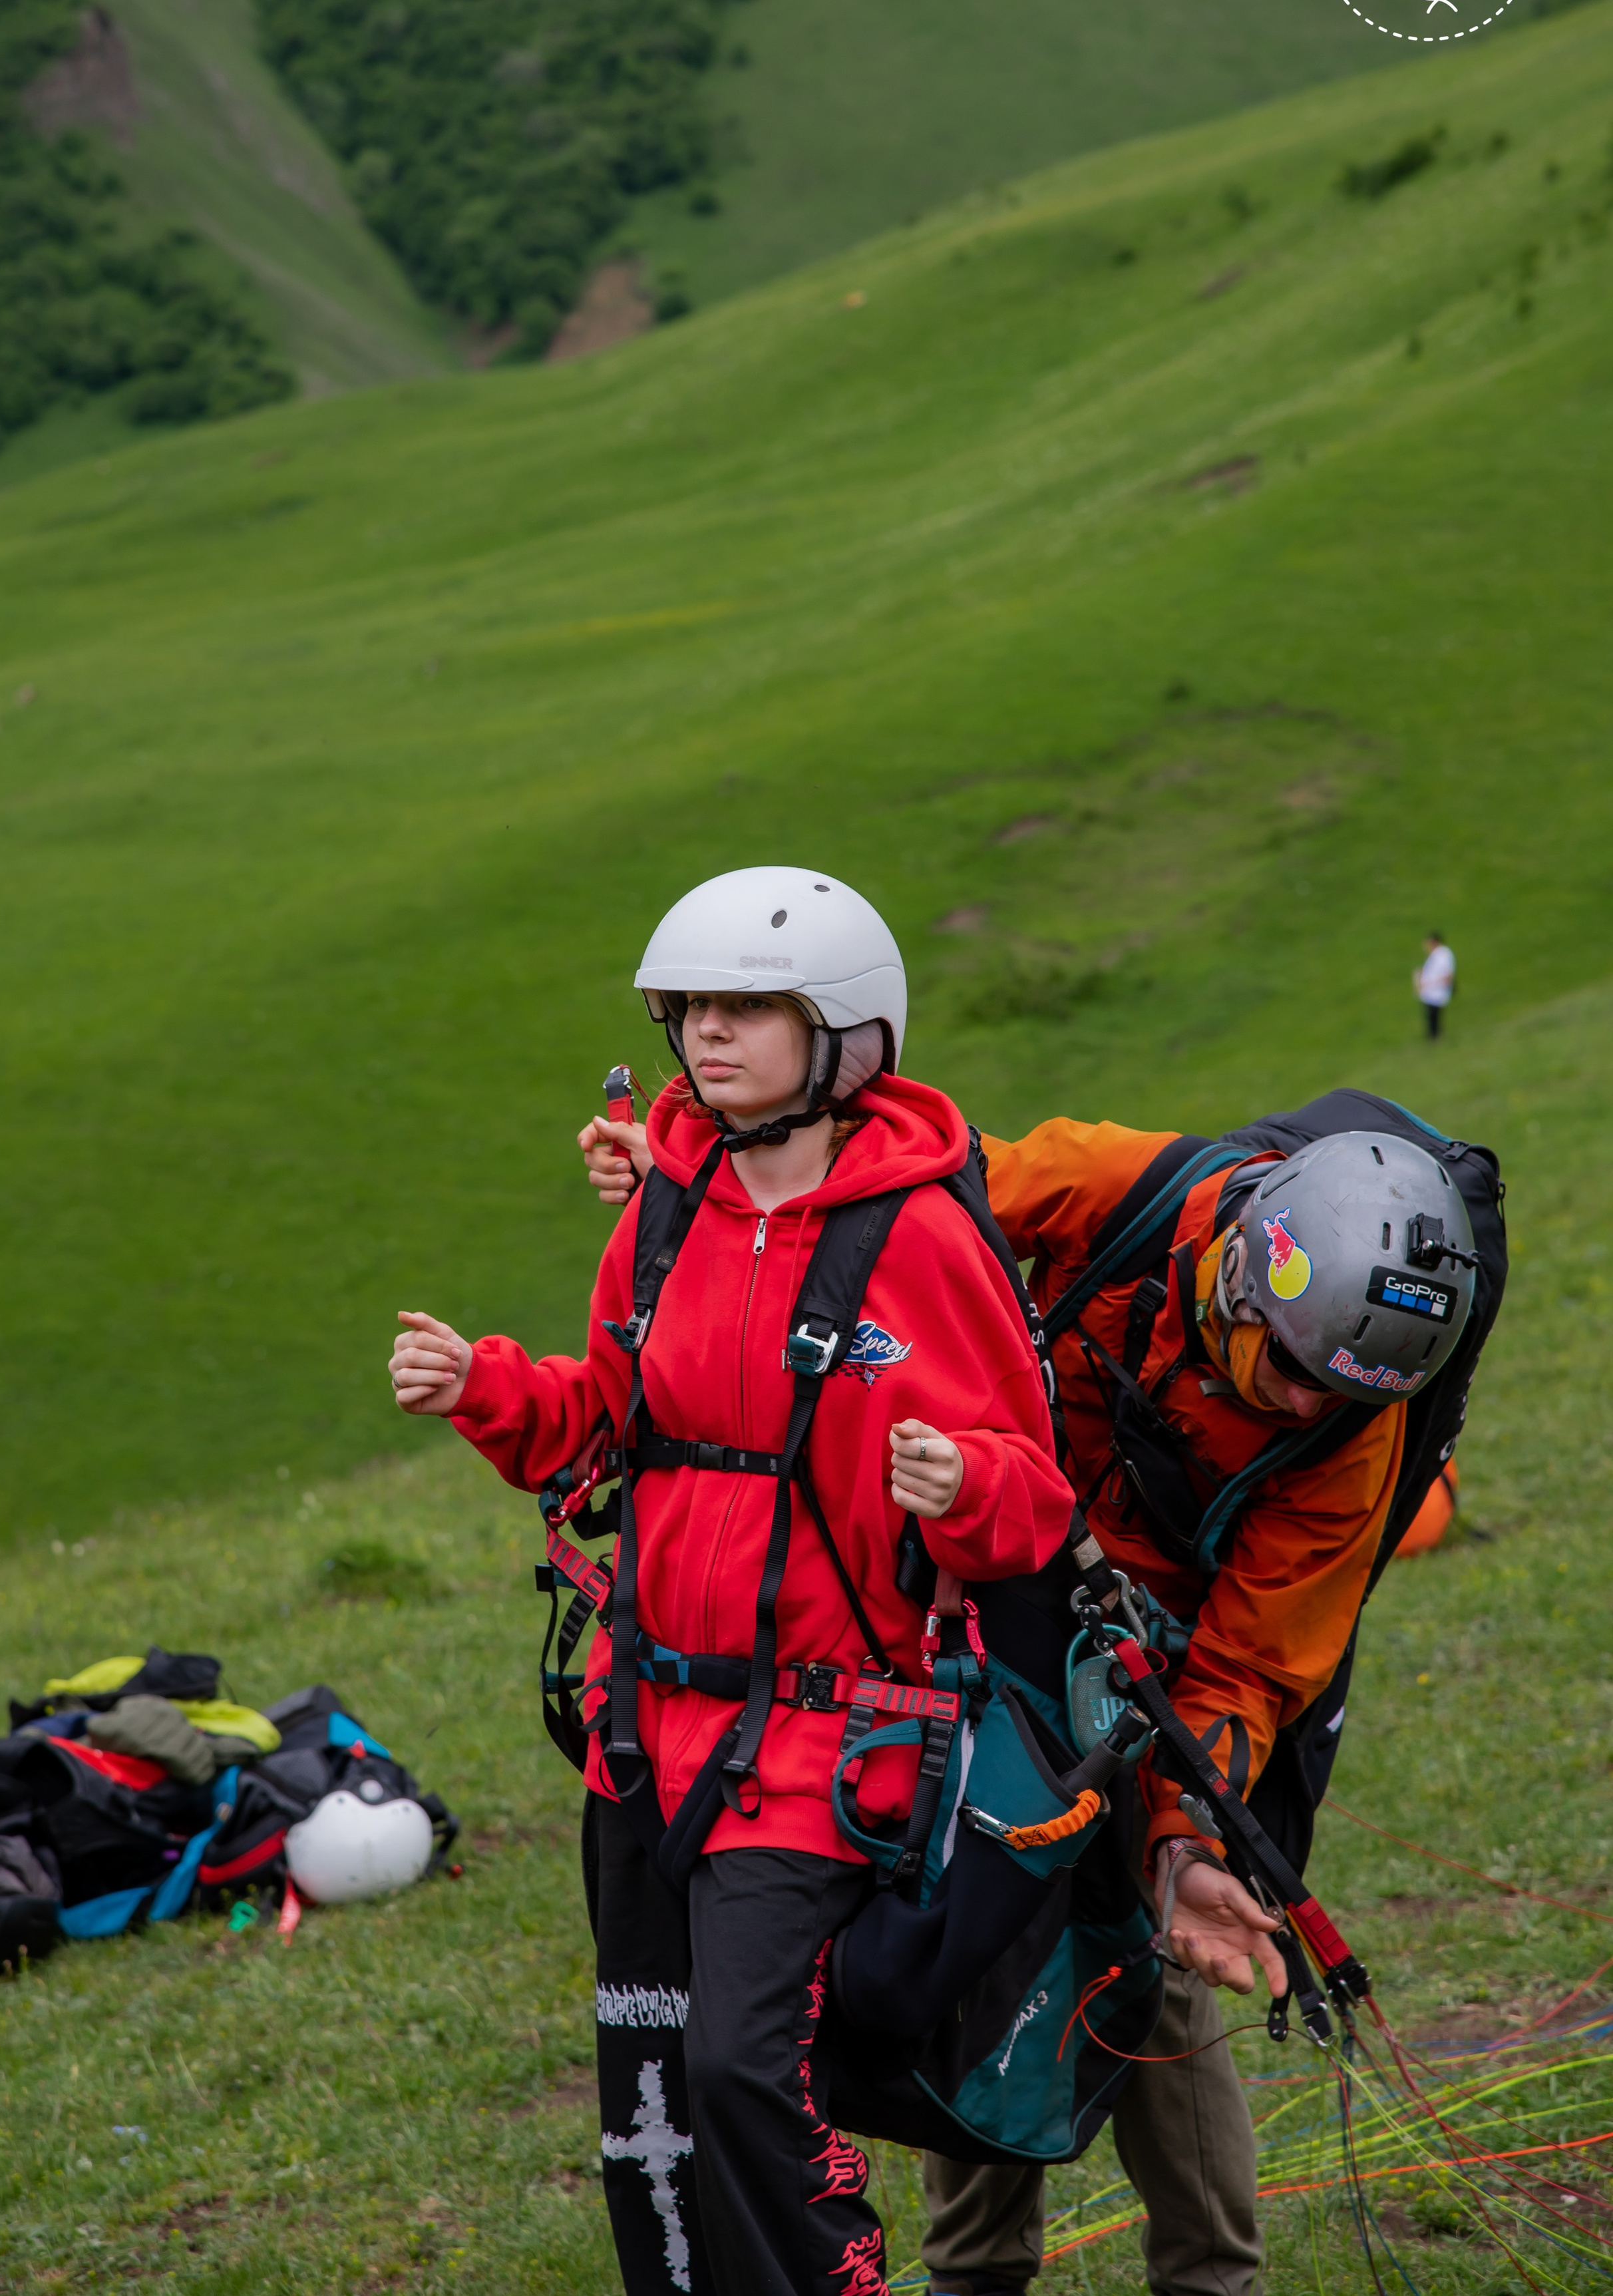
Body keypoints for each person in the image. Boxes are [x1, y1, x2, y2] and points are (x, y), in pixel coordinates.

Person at [584, 1099, 1482, 2296]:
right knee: (975, 1910)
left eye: (1341, 1393)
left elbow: (1255, 1664)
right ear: (1244, 1277)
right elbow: (886, 1208)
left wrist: (1179, 1839)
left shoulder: (1356, 1437)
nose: (1310, 1410)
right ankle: (976, 2272)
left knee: (1149, 1945)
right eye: (1291, 1369)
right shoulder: (1115, 1188)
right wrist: (706, 1176)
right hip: (992, 1580)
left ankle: (1211, 2279)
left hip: (1171, 1667)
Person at [392, 867, 1074, 2296]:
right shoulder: (664, 1209)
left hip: (824, 1743)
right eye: (693, 1006)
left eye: (749, 1007)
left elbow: (1033, 1499)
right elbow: (601, 1419)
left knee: (743, 2070)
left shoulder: (922, 1236)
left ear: (845, 1037)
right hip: (645, 1729)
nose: (709, 1032)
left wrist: (961, 1483)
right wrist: (483, 1388)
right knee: (651, 2111)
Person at [1413, 930, 1457, 1039]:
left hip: (1437, 991)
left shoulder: (1443, 955)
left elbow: (1446, 975)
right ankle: (1434, 1037)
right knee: (1431, 1016)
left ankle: (1435, 1038)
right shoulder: (1436, 955)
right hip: (1431, 992)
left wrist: (1427, 983)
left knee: (1434, 1016)